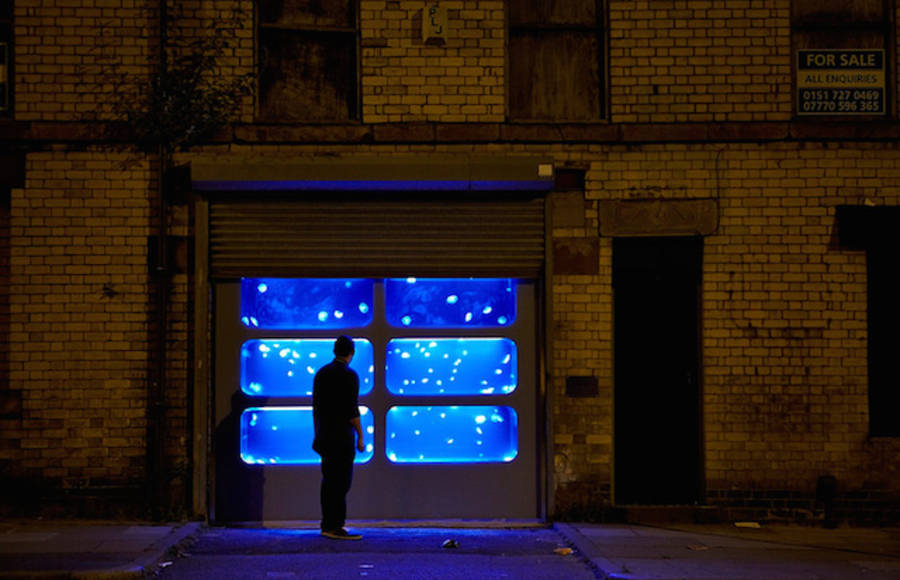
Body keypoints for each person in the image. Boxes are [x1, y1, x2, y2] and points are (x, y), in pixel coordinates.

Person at [312, 335, 365, 540]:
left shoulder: (321, 374)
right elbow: (352, 411)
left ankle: (327, 524)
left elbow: (316, 408)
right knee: (342, 482)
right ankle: (336, 525)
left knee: (328, 480)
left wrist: (317, 433)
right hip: (342, 437)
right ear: (351, 353)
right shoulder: (350, 376)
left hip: (325, 435)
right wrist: (361, 436)